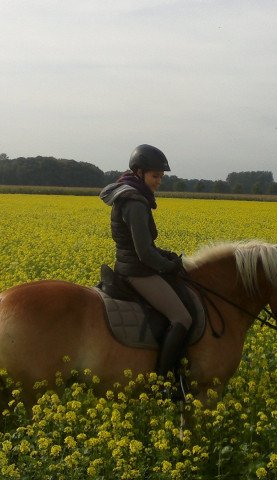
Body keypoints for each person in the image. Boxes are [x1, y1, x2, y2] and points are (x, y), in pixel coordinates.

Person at [99, 144, 192, 383]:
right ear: (139, 173)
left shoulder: (128, 194)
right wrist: (169, 266)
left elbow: (142, 245)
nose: (158, 181)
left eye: (160, 177)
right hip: (137, 272)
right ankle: (163, 382)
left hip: (131, 265)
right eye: (155, 176)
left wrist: (167, 255)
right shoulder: (135, 202)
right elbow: (143, 253)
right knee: (182, 318)